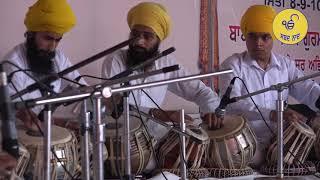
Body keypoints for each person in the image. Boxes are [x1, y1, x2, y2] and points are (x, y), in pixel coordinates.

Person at [101, 2, 222, 141]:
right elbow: (116, 106)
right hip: (120, 140)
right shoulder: (114, 61)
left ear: (159, 39)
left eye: (147, 36)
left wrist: (211, 110)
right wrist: (157, 114)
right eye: (135, 34)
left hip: (154, 139)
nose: (139, 41)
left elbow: (200, 91)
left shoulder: (167, 63)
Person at [218, 5, 320, 168]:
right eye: (252, 36)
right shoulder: (233, 66)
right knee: (232, 150)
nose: (258, 43)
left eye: (265, 37)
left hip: (283, 141)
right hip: (248, 142)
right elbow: (233, 105)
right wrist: (274, 114)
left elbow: (307, 88)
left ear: (273, 38)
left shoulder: (285, 66)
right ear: (245, 36)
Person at [2, 0, 86, 131]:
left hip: (43, 129)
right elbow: (15, 110)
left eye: (58, 40)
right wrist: (25, 115)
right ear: (31, 34)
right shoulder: (13, 63)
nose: (52, 47)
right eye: (48, 38)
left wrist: (64, 122)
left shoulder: (58, 58)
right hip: (18, 136)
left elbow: (83, 88)